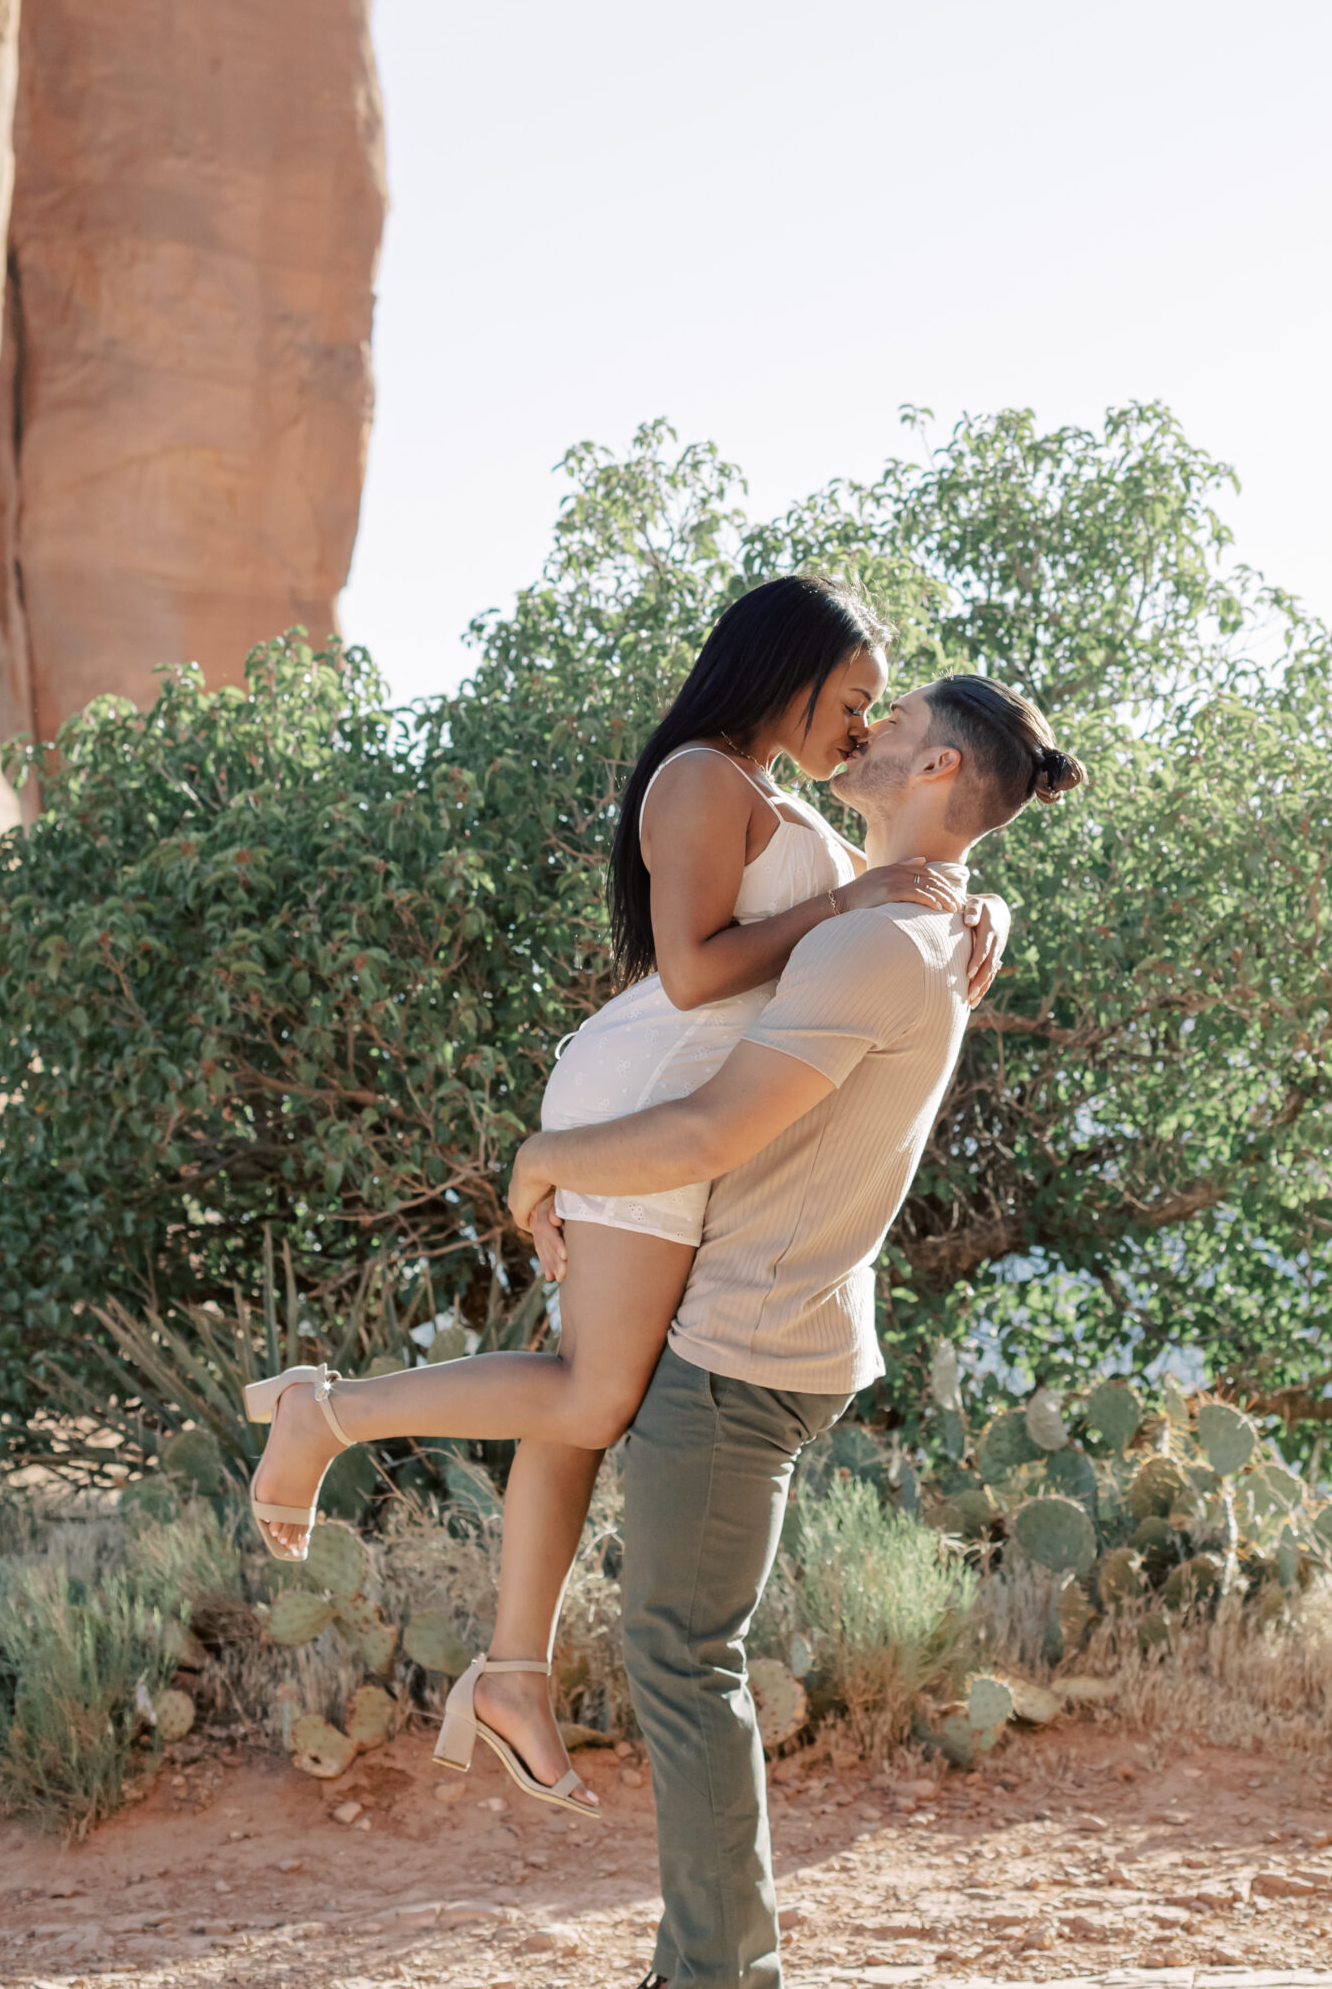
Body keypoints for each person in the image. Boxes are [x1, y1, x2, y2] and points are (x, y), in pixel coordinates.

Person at [245, 576, 1009, 1813]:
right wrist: (856, 899)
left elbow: (900, 885)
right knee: (593, 1391)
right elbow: (698, 972)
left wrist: (978, 902)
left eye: (880, 714)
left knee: (580, 1399)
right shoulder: (700, 778)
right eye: (854, 702)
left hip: (688, 1115)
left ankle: (510, 1672)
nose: (863, 731)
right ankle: (321, 1414)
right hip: (655, 1088)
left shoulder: (763, 791)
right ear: (788, 670)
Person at [501, 674, 1082, 1989]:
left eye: (887, 726)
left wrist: (543, 1163)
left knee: (682, 1664)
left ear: (934, 763)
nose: (857, 735)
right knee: (683, 1658)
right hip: (775, 1324)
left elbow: (711, 1121)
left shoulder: (884, 945)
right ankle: (694, 1982)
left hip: (748, 1339)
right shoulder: (918, 923)